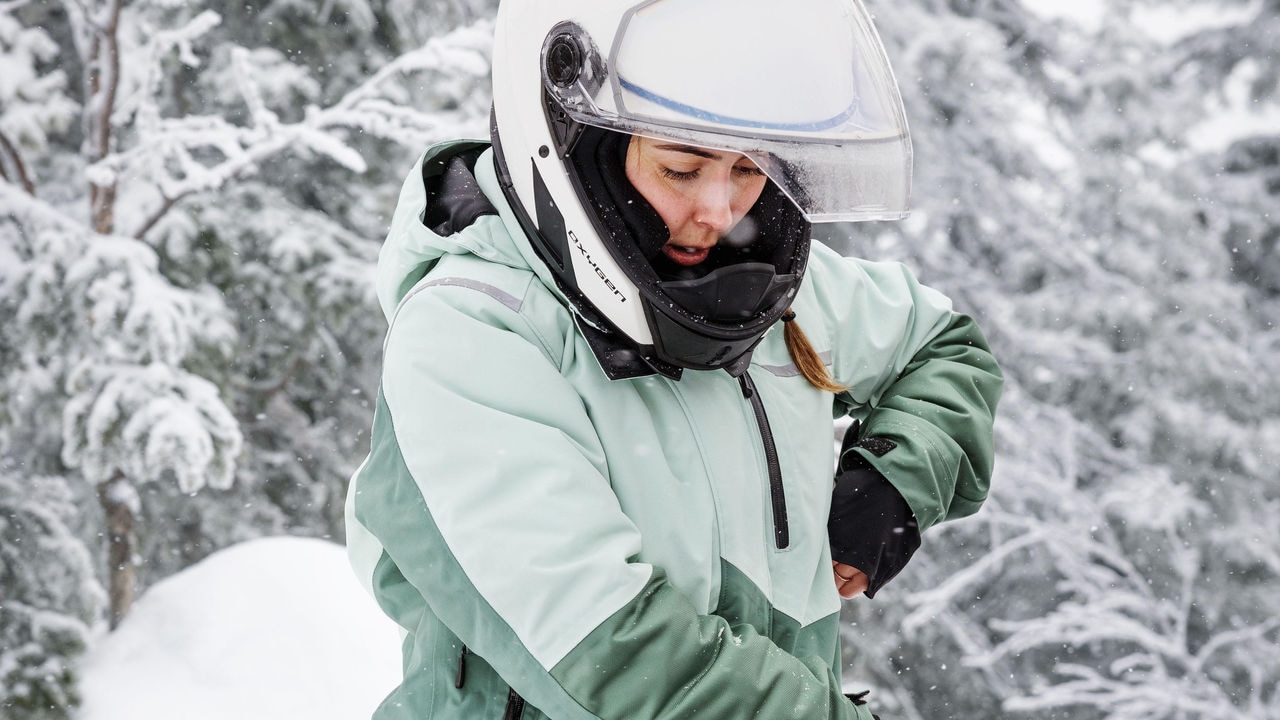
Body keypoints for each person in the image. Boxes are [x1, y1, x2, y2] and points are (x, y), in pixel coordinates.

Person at [344, 1, 1002, 718]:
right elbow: (614, 654)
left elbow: (945, 349)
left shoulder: (761, 287)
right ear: (574, 140)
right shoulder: (473, 333)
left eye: (749, 169)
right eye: (682, 168)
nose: (719, 211)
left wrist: (892, 478)